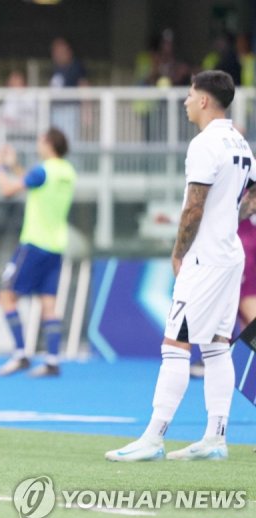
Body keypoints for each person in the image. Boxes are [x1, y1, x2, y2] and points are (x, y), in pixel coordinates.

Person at [106, 71, 253, 462]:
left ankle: (154, 438)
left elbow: (193, 206)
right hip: (230, 255)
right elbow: (252, 196)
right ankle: (216, 437)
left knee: (175, 344)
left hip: (204, 258)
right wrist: (228, 221)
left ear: (205, 100)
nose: (186, 101)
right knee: (218, 346)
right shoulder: (241, 141)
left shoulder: (204, 144)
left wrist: (179, 251)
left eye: (190, 94)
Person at [0, 127, 77, 378]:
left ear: (49, 144)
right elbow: (34, 182)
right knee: (48, 303)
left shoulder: (44, 169)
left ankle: (20, 354)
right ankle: (51, 360)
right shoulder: (67, 171)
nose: (38, 145)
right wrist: (15, 165)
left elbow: (8, 190)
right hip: (56, 245)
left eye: (40, 141)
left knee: (6, 296)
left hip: (34, 242)